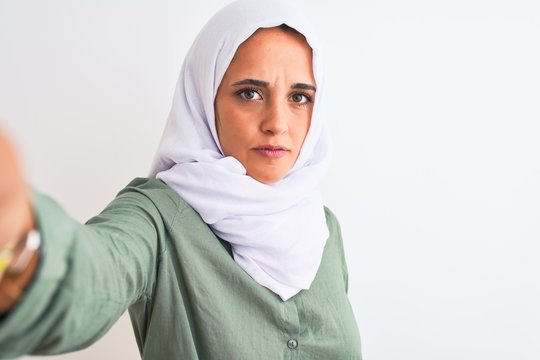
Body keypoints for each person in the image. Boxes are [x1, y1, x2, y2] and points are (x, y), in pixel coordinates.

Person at [0, 0, 362, 358]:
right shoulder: (157, 217)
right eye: (250, 93)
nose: (277, 123)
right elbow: (95, 276)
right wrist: (20, 242)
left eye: (299, 97)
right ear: (204, 99)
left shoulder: (323, 229)